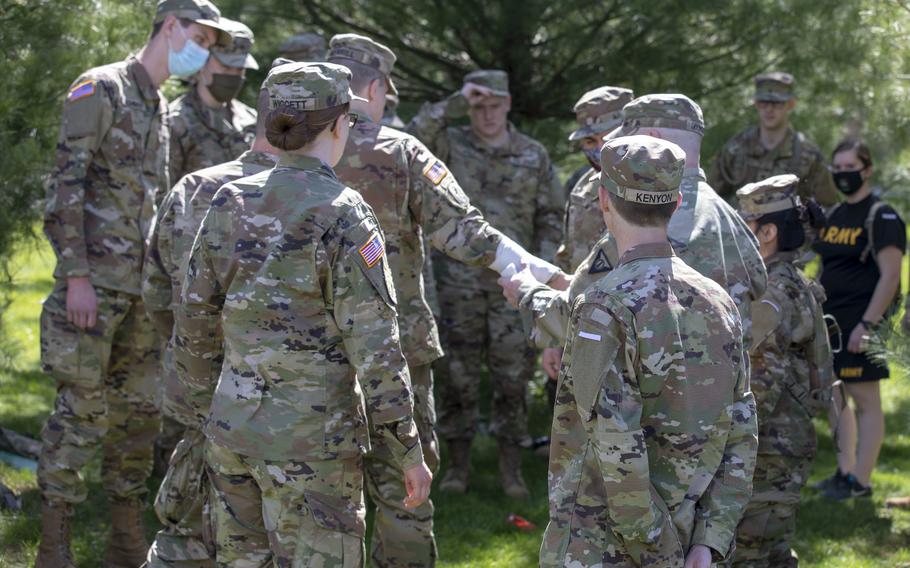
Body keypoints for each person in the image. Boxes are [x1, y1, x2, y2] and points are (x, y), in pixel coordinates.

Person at [174, 61, 433, 566]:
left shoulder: (230, 200)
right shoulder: (345, 211)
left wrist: (208, 409)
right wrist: (406, 447)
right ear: (337, 125)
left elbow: (193, 320)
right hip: (313, 449)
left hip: (234, 436)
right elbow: (377, 347)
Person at [328, 33, 562, 566]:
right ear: (372, 89)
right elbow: (467, 233)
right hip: (394, 348)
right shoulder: (397, 152)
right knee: (403, 489)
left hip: (307, 357)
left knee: (321, 497)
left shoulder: (277, 152)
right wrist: (536, 272)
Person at [34, 1, 228, 565]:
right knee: (81, 414)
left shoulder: (159, 107)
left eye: (211, 45)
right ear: (170, 28)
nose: (204, 52)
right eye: (199, 38)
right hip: (93, 287)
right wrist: (76, 276)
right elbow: (64, 186)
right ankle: (54, 546)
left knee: (138, 418)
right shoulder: (102, 89)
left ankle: (123, 540)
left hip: (141, 293)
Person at [536, 135, 757, 568]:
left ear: (603, 199)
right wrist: (710, 540)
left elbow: (616, 448)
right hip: (693, 541)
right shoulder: (719, 301)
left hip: (606, 548)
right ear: (675, 202)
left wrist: (661, 553)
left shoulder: (603, 306)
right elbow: (742, 429)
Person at [502, 94, 766, 355]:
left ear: (653, 139)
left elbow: (581, 316)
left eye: (627, 140)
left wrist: (525, 292)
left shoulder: (647, 214)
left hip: (655, 391)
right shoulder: (731, 218)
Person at [408, 69, 564, 499]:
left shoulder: (533, 154)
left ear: (509, 103)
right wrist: (457, 101)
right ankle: (456, 467)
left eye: (496, 104)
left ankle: (511, 470)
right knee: (457, 377)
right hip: (458, 281)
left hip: (514, 287)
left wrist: (541, 269)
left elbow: (551, 214)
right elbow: (409, 135)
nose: (489, 114)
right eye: (480, 106)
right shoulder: (449, 147)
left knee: (513, 378)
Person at [142, 81, 279, 567]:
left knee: (190, 528)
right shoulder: (326, 200)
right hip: (283, 411)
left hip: (201, 393)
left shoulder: (194, 188)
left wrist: (189, 351)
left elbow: (156, 291)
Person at [732, 175, 835, 567]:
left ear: (768, 232)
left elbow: (761, 380)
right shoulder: (790, 280)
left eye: (747, 225)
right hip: (783, 446)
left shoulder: (774, 292)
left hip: (769, 450)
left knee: (750, 555)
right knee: (771, 552)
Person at [812, 139, 905, 499]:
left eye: (851, 167)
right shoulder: (834, 215)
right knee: (835, 400)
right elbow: (825, 267)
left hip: (860, 325)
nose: (843, 174)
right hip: (830, 326)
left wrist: (867, 325)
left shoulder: (881, 216)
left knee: (865, 402)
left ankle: (861, 482)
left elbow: (891, 276)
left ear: (867, 170)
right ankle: (843, 472)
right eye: (839, 167)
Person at [541, 86, 632, 409]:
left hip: (628, 344)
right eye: (589, 142)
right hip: (579, 335)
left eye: (605, 140)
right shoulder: (583, 188)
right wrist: (553, 339)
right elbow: (569, 262)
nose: (597, 150)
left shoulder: (646, 188)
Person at [709, 72, 839, 207]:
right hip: (739, 226)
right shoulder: (735, 149)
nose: (769, 109)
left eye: (777, 103)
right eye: (763, 103)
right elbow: (711, 199)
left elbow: (827, 206)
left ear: (790, 104)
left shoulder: (807, 154)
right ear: (756, 103)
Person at [167, 17, 258, 183]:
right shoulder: (176, 122)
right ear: (203, 61)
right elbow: (162, 195)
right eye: (226, 66)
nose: (233, 75)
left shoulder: (251, 120)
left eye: (240, 69)